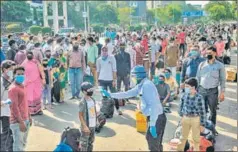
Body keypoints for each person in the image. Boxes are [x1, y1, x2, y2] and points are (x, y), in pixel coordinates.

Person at [102, 66, 166, 151]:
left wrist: (153, 124)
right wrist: (111, 95)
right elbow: (127, 94)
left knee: (153, 143)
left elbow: (153, 105)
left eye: (133, 76)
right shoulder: (141, 85)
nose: (132, 78)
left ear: (139, 76)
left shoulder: (147, 86)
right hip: (154, 116)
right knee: (153, 141)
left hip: (157, 117)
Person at [196, 46, 226, 134]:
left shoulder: (220, 66)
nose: (208, 55)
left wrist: (222, 93)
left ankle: (212, 128)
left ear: (215, 54)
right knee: (202, 110)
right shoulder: (202, 65)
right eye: (207, 53)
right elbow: (197, 77)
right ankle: (203, 128)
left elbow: (222, 80)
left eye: (210, 53)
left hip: (213, 91)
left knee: (213, 110)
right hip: (202, 90)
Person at [177, 78, 206, 152]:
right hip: (185, 118)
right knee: (182, 137)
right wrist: (181, 116)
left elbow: (202, 111)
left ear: (193, 87)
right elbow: (181, 106)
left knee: (196, 139)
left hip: (195, 119)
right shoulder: (184, 95)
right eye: (185, 86)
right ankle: (180, 150)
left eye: (187, 86)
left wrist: (202, 124)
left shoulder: (199, 97)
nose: (185, 88)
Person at [8, 66, 32, 151]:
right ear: (14, 75)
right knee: (18, 147)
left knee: (23, 144)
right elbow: (14, 107)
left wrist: (29, 116)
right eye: (18, 74)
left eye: (22, 74)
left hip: (25, 119)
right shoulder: (13, 89)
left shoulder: (22, 86)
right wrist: (21, 122)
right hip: (18, 122)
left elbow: (25, 102)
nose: (21, 76)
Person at [96, 46, 122, 115]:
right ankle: (106, 111)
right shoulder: (99, 60)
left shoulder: (112, 58)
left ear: (108, 51)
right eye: (103, 50)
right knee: (104, 96)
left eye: (105, 50)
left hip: (110, 80)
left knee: (114, 95)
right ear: (101, 51)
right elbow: (98, 71)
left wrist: (114, 80)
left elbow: (114, 70)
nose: (104, 52)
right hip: (102, 80)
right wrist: (97, 81)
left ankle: (118, 108)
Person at [21, 51, 45, 115]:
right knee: (29, 98)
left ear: (33, 55)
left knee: (37, 97)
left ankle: (39, 110)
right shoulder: (23, 64)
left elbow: (41, 71)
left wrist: (43, 79)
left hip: (36, 83)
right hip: (28, 84)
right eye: (28, 54)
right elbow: (21, 74)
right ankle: (30, 112)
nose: (29, 55)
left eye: (30, 54)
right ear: (26, 55)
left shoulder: (36, 62)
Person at [78, 82, 96, 152]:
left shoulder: (93, 100)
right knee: (84, 144)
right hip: (86, 127)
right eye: (89, 90)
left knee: (91, 142)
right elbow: (80, 115)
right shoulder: (82, 102)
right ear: (84, 91)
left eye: (92, 89)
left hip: (93, 125)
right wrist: (85, 126)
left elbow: (94, 111)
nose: (91, 91)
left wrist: (96, 121)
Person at [0, 60, 14, 151]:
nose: (13, 71)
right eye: (11, 69)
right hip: (4, 113)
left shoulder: (11, 80)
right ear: (5, 69)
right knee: (6, 133)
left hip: (11, 112)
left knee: (10, 134)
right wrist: (6, 102)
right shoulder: (1, 82)